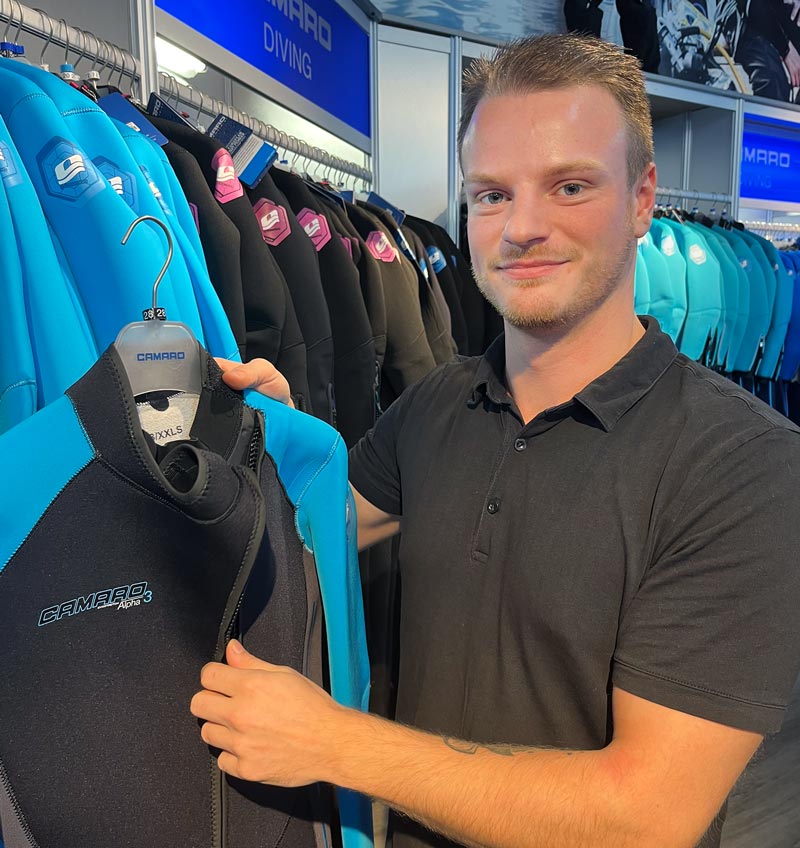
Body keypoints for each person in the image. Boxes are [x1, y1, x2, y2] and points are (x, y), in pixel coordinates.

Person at [190, 34, 800, 848]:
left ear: (643, 198)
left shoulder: (743, 465)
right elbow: (317, 522)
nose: (523, 227)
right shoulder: (437, 405)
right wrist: (284, 431)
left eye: (570, 186)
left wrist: (335, 742)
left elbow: (647, 818)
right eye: (491, 195)